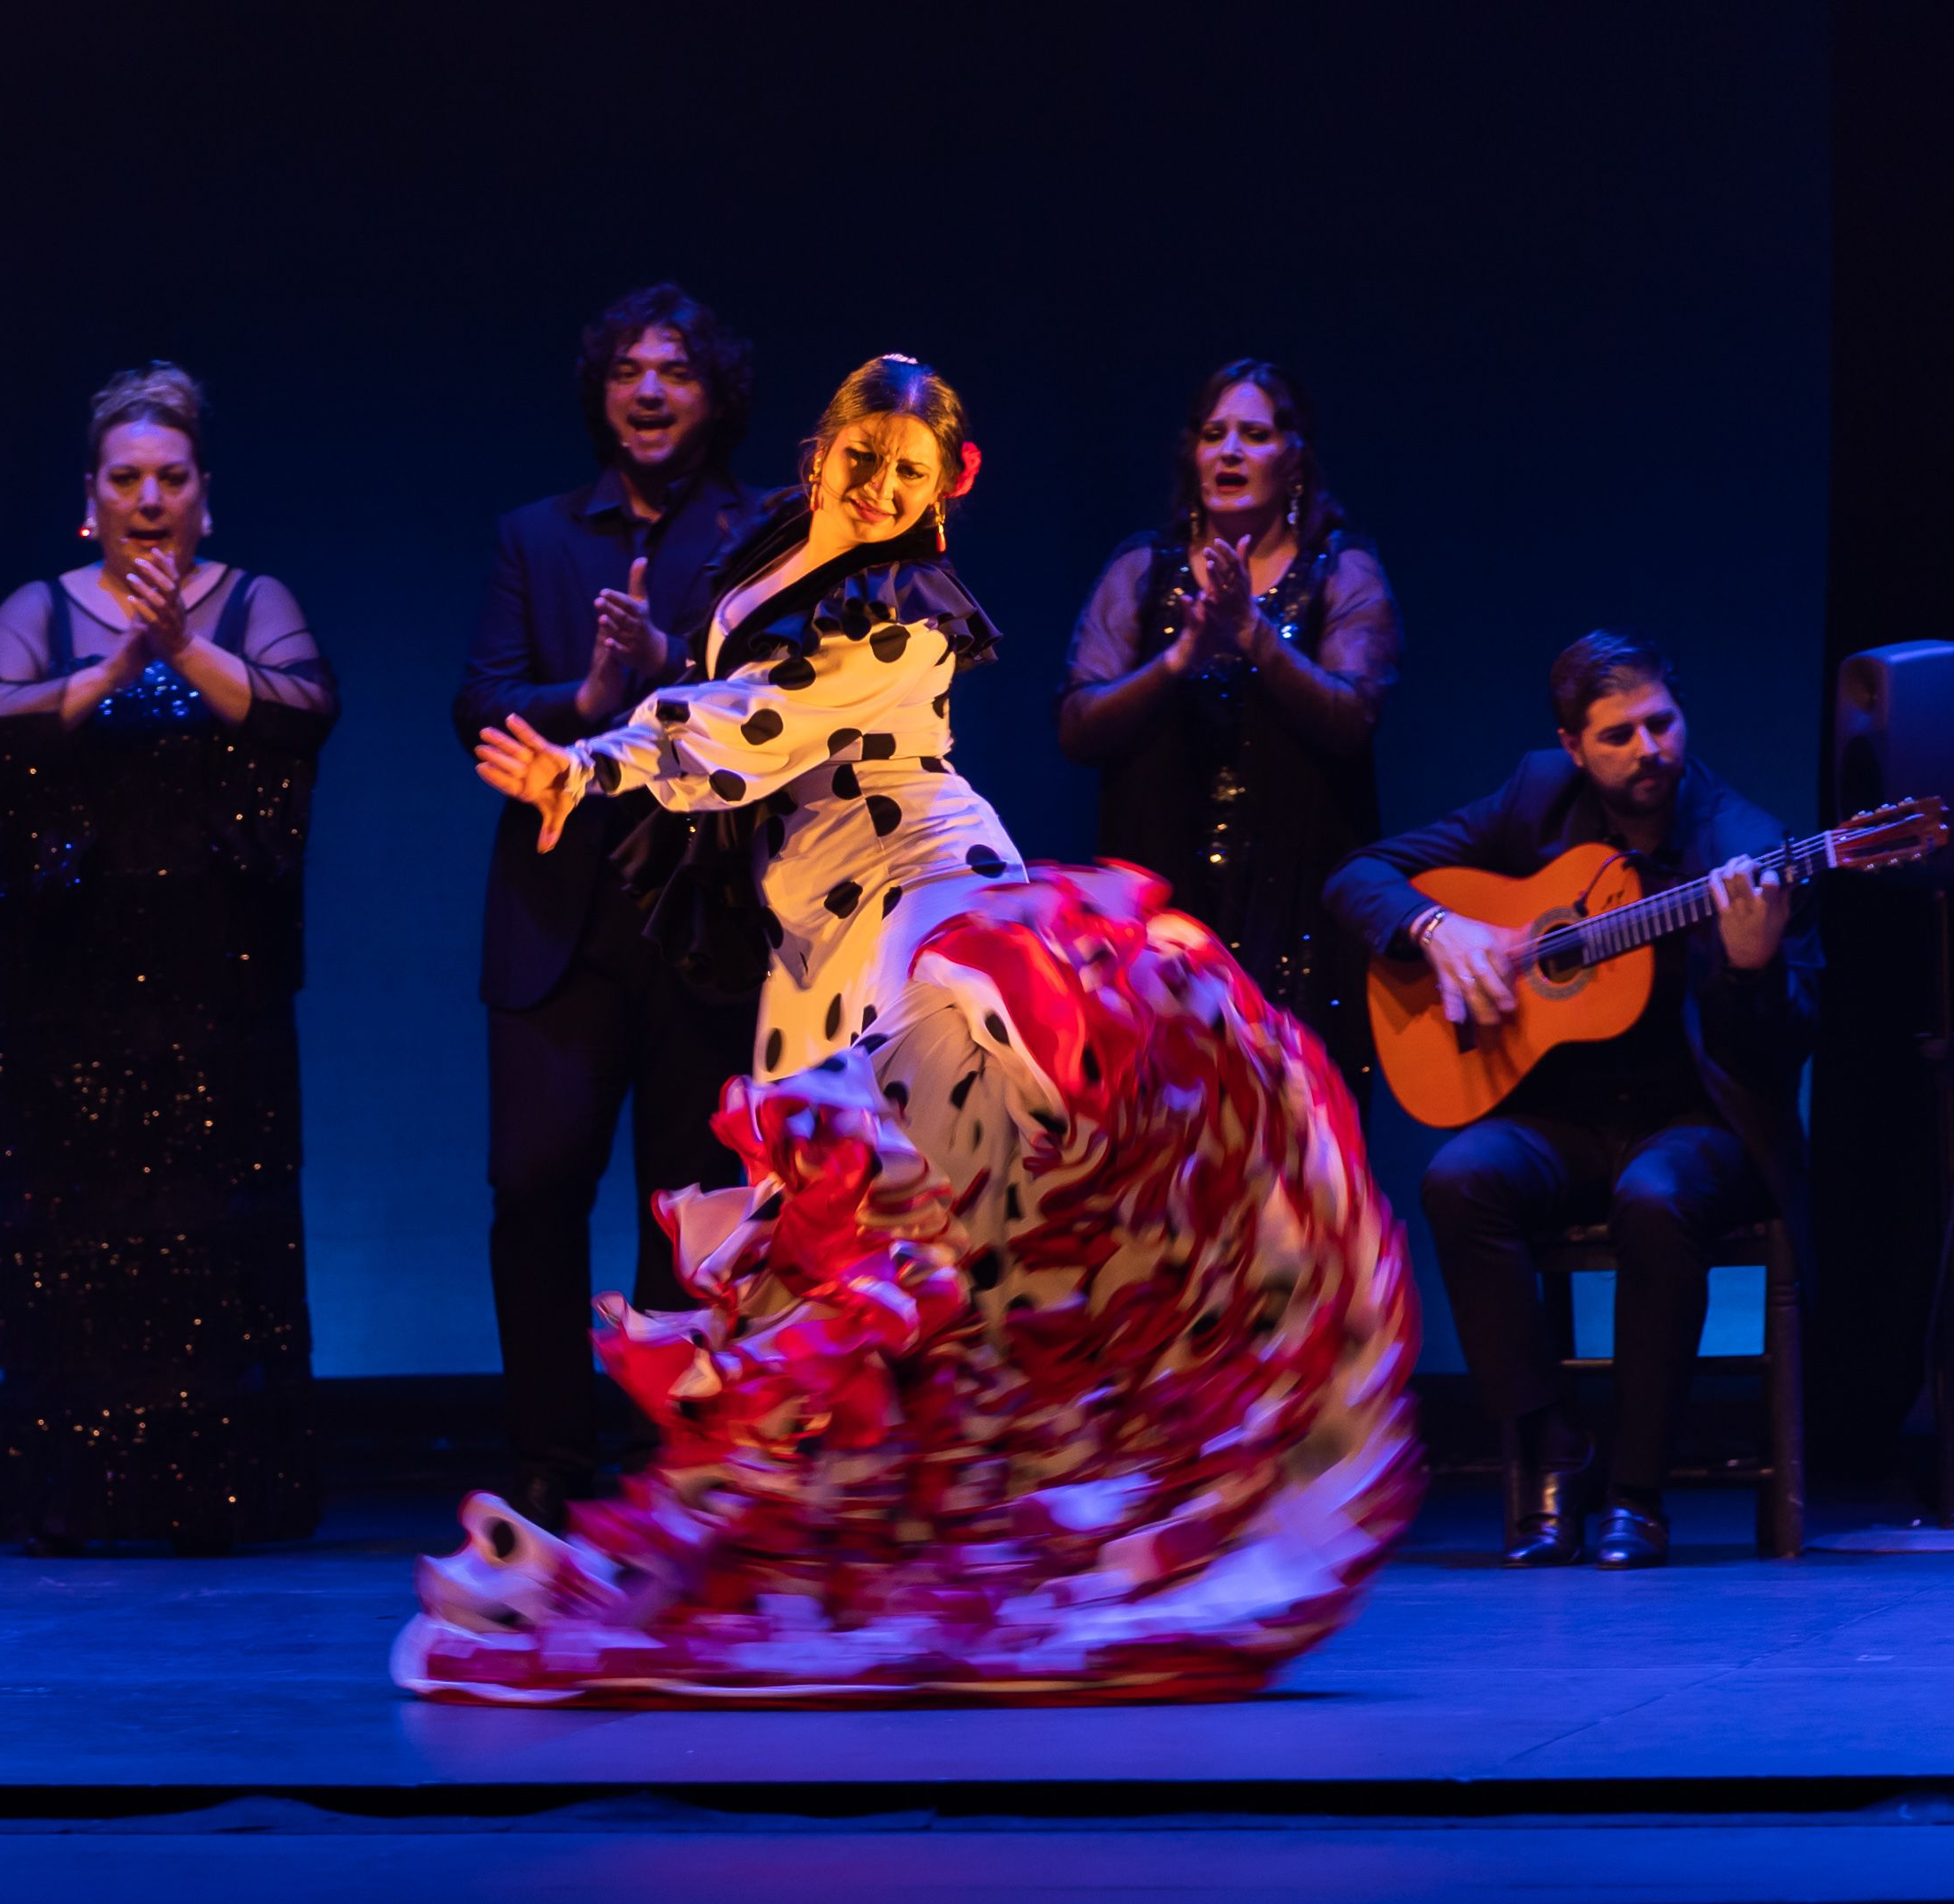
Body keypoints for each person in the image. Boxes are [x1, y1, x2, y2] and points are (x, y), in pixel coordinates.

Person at [398, 356, 1420, 1704]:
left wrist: (591, 765)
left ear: (952, 485)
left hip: (919, 907)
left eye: (910, 472)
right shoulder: (775, 562)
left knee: (913, 1206)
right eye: (863, 459)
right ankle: (866, 1547)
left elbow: (760, 726)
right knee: (855, 1259)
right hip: (815, 928)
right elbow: (738, 697)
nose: (880, 487)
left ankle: (1050, 1523)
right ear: (819, 453)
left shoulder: (906, 621)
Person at [1324, 633, 1819, 1568]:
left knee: (1654, 1199)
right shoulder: (1534, 795)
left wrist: (1751, 969)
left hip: (1699, 1122)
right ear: (1572, 745)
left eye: (1661, 723)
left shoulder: (1744, 844)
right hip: (1562, 1120)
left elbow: (1784, 1046)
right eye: (1617, 734)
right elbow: (1357, 875)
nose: (1648, 749)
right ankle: (1554, 1447)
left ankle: (1636, 1492)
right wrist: (1435, 926)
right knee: (1460, 1180)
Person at [0, 363, 336, 1556]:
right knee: (83, 1237)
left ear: (205, 494)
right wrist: (118, 667)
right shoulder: (43, 608)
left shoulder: (253, 601)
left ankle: (221, 1494)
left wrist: (184, 649)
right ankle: (84, 1497)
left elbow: (303, 712)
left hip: (216, 984)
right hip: (71, 997)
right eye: (125, 478)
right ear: (91, 498)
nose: (149, 498)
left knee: (213, 1228)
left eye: (171, 477)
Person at [453, 284, 760, 1528]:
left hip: (704, 917)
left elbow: (783, 702)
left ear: (712, 396)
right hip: (559, 921)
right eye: (629, 369)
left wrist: (667, 670)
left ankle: (673, 1463)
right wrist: (586, 695)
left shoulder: (763, 532)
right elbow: (480, 706)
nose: (648, 389)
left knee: (692, 1212)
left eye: (674, 369)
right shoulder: (535, 536)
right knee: (535, 1188)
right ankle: (549, 1455)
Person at [1057, 360, 1400, 1094]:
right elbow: (1077, 726)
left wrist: (1253, 635)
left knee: (1293, 1119)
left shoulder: (1342, 570)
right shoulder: (1142, 569)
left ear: (1294, 456)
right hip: (1161, 910)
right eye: (1214, 434)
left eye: (1254, 434)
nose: (1230, 452)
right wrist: (1178, 658)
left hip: (1298, 909)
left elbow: (1352, 718)